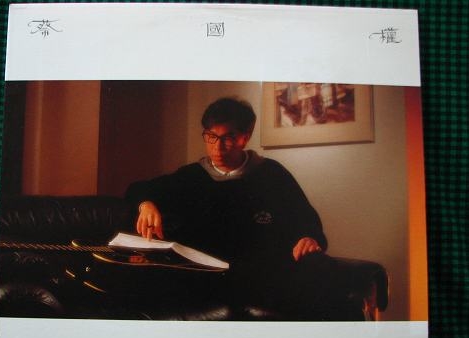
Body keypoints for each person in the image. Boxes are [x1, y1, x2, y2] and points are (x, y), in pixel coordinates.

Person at [125, 97, 353, 320]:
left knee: (321, 270)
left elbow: (306, 219)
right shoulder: (190, 176)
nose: (217, 147)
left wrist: (309, 237)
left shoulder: (272, 174)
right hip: (206, 277)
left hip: (264, 274)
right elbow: (137, 189)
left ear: (245, 137)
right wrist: (146, 205)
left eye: (228, 138)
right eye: (211, 136)